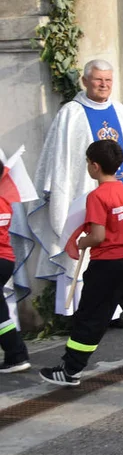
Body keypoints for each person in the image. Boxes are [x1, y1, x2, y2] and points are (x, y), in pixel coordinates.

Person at [29, 59, 123, 315]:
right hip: (87, 195)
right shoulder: (71, 113)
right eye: (98, 80)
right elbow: (62, 162)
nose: (104, 85)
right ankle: (84, 310)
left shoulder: (120, 111)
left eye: (108, 80)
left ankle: (121, 311)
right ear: (85, 81)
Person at [39, 140, 123, 388]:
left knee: (90, 317)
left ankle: (71, 370)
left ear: (94, 166)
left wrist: (82, 241)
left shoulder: (97, 196)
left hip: (107, 263)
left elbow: (99, 235)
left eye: (87, 163)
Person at [0, 160, 31, 374]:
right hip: (6, 260)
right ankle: (16, 354)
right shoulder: (3, 201)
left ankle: (17, 354)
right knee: (1, 312)